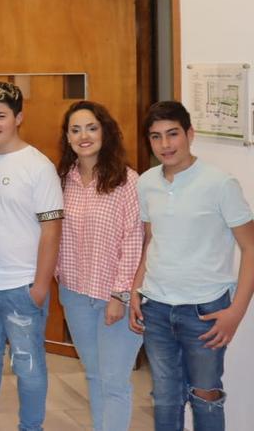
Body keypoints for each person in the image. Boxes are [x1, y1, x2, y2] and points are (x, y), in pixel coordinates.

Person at [129, 100, 253, 431]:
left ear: (190, 134)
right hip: (156, 307)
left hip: (206, 310)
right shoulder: (146, 182)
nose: (165, 145)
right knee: (165, 398)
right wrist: (135, 290)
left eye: (173, 134)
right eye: (156, 137)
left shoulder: (220, 183)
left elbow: (250, 247)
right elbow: (151, 240)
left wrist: (236, 311)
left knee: (205, 396)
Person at [0, 81, 62, 431]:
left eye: (1, 116)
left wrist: (39, 286)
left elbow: (52, 231)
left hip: (22, 287)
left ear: (19, 117)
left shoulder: (38, 167)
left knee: (29, 365)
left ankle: (30, 427)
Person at [54, 101, 142, 431]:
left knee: (114, 381)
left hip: (113, 297)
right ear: (67, 137)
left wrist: (120, 295)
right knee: (93, 375)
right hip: (75, 293)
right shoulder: (63, 179)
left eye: (91, 127)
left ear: (105, 131)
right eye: (75, 130)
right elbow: (52, 232)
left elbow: (134, 241)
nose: (84, 136)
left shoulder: (127, 181)